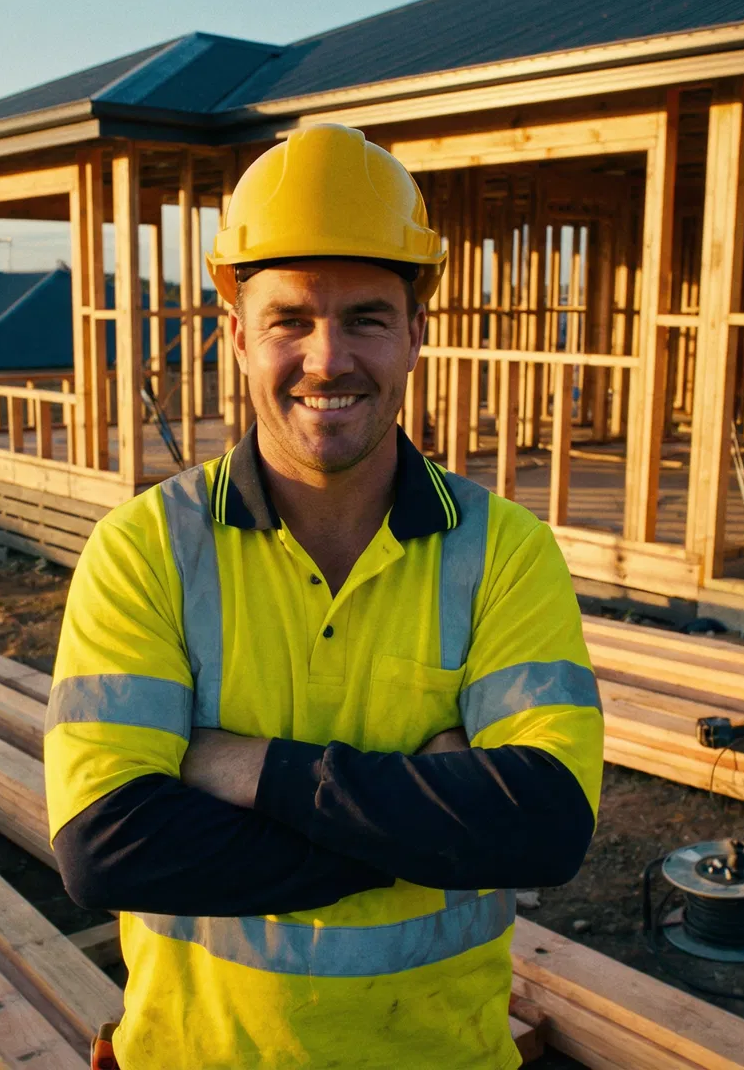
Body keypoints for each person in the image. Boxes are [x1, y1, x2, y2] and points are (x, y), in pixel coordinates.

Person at [45, 123, 603, 1069]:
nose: (329, 357)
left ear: (416, 336)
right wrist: (430, 822)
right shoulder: (145, 551)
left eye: (367, 318)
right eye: (290, 320)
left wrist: (243, 769)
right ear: (236, 335)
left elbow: (544, 826)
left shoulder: (505, 553)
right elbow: (108, 848)